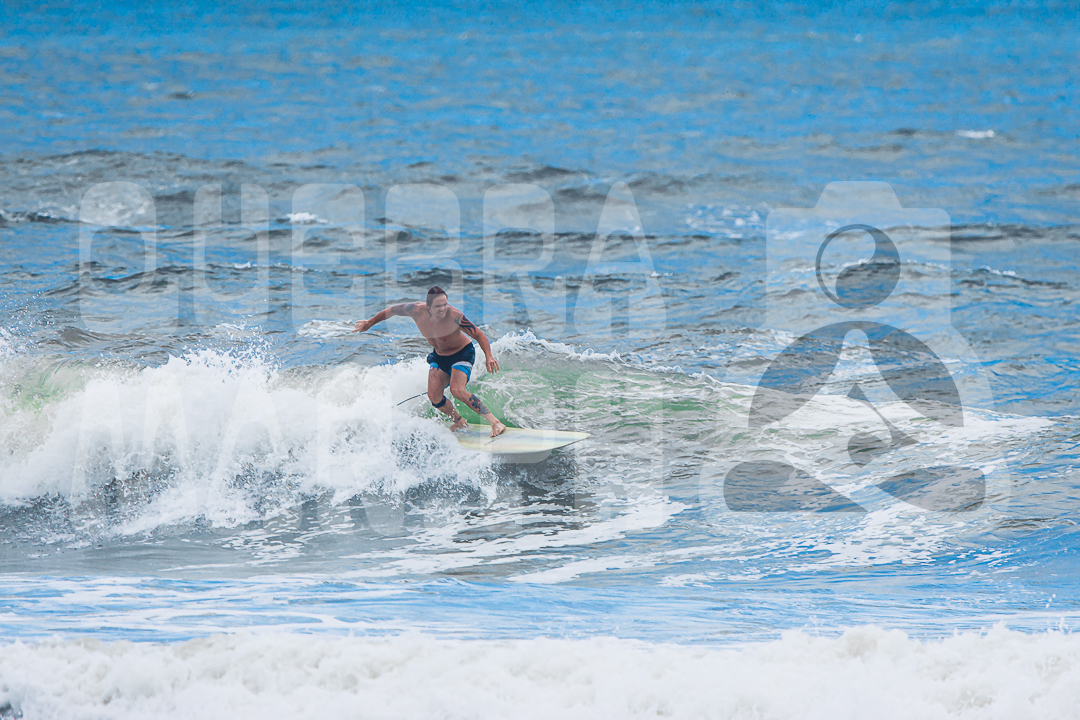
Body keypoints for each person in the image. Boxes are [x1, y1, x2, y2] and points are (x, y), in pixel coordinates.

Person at [353, 286, 507, 437]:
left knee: (457, 390)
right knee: (434, 396)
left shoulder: (455, 316)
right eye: (438, 306)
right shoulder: (414, 310)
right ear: (428, 307)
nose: (443, 309)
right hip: (440, 356)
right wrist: (369, 323)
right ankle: (459, 421)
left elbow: (479, 335)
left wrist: (489, 356)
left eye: (445, 304)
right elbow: (392, 310)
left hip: (462, 354)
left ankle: (495, 423)